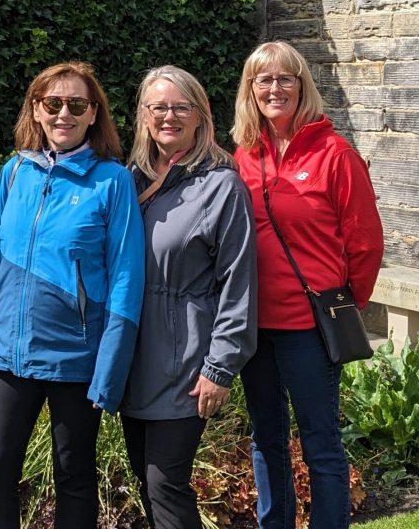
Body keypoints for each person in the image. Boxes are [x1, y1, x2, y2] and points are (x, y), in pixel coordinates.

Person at [0, 60, 145, 529]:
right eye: (53, 103)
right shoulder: (13, 174)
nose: (63, 113)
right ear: (36, 109)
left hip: (76, 361)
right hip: (9, 355)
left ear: (93, 114)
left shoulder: (112, 181)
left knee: (74, 477)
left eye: (76, 104)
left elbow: (127, 282)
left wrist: (109, 369)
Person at [231, 40, 384, 529]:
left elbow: (365, 242)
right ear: (250, 90)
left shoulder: (335, 154)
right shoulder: (243, 156)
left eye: (285, 78)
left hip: (309, 328)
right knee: (266, 440)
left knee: (320, 444)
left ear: (302, 86)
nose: (274, 88)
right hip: (255, 328)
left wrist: (341, 304)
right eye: (263, 79)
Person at [119, 65, 257, 529]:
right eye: (158, 107)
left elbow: (238, 282)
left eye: (181, 107)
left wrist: (220, 366)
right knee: (144, 477)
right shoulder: (129, 180)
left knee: (165, 482)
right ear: (143, 115)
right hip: (133, 358)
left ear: (200, 116)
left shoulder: (222, 186)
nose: (169, 117)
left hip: (186, 362)